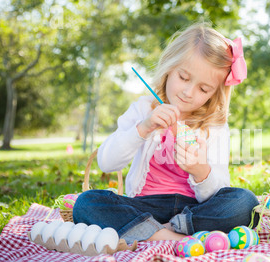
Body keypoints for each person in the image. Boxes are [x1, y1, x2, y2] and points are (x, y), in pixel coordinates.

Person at [73, 23, 259, 243]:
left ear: (214, 93)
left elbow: (219, 191)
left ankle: (158, 231)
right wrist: (143, 128)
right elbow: (106, 163)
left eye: (203, 89)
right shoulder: (143, 109)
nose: (188, 92)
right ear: (170, 67)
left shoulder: (215, 126)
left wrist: (201, 171)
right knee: (87, 203)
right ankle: (171, 236)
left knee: (245, 203)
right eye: (184, 77)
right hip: (144, 206)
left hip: (193, 211)